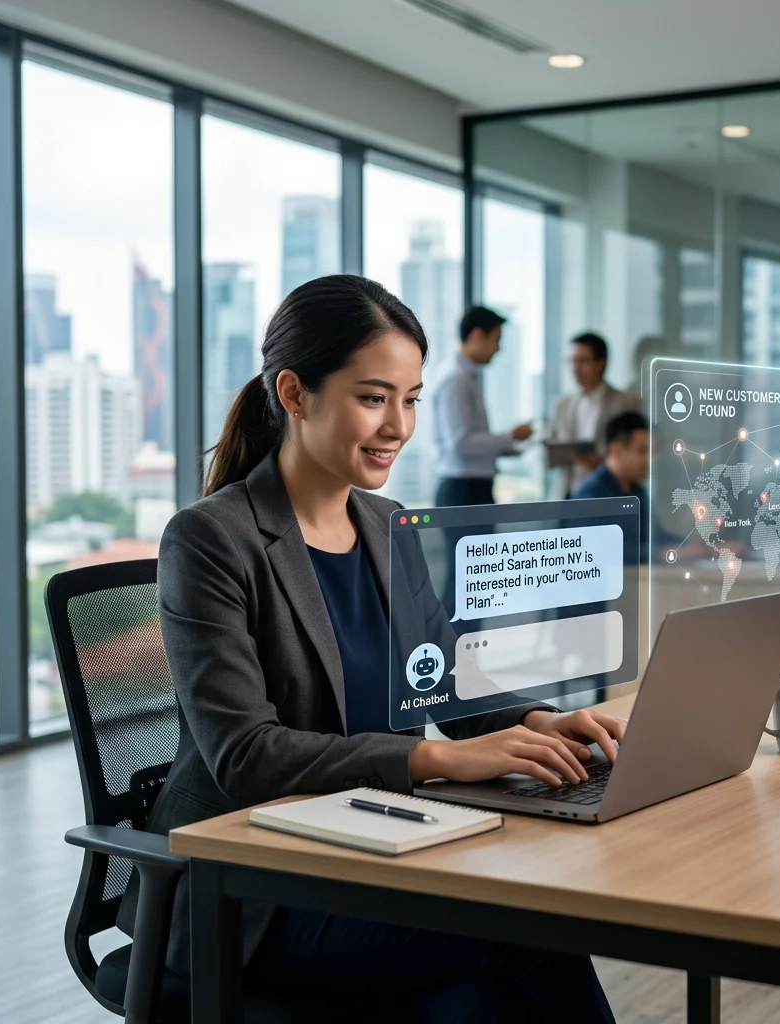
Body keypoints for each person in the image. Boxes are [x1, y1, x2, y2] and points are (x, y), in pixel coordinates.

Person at [117, 276, 621, 1022]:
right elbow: (245, 755)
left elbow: (446, 684)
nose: (398, 425)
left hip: (375, 847)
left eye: (411, 399)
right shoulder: (210, 539)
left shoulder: (389, 526)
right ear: (294, 393)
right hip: (253, 888)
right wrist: (433, 759)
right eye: (374, 397)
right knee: (534, 938)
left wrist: (542, 721)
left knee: (479, 1000)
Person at [430, 305, 531, 509]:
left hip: (470, 488)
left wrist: (503, 447)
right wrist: (510, 436)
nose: (498, 349)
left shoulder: (465, 376)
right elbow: (460, 443)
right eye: (496, 340)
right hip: (464, 491)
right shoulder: (456, 378)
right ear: (477, 336)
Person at [546, 332, 642, 497]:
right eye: (572, 361)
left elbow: (636, 453)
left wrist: (601, 464)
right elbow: (547, 456)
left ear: (600, 363)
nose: (575, 368)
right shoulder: (561, 405)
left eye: (582, 361)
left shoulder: (626, 403)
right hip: (567, 496)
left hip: (608, 495)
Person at [572, 411, 650, 564]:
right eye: (642, 451)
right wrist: (662, 553)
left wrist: (689, 547)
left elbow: (653, 535)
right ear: (616, 450)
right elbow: (601, 555)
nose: (648, 461)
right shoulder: (591, 497)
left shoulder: (637, 492)